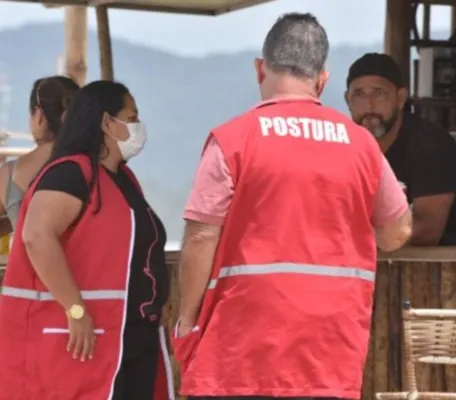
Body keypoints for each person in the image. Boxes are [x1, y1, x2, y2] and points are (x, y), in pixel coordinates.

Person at [173, 12, 412, 400]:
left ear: (259, 69)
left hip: (240, 348)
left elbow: (201, 236)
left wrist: (187, 319)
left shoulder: (232, 140)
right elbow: (396, 233)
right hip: (330, 349)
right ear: (323, 79)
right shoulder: (363, 146)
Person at [0, 80, 174, 400]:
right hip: (84, 336)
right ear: (107, 122)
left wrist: (157, 298)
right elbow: (37, 236)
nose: (138, 126)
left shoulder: (123, 178)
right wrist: (75, 309)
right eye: (132, 117)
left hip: (131, 334)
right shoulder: (71, 173)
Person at [345, 53, 456, 245]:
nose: (369, 105)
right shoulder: (343, 144)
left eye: (379, 93)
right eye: (359, 94)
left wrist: (348, 237)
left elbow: (428, 230)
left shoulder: (429, 144)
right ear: (348, 100)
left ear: (400, 98)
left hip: (440, 268)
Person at [0, 75, 79, 236]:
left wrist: (17, 211)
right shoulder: (97, 164)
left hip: (30, 260)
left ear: (39, 115)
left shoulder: (10, 174)